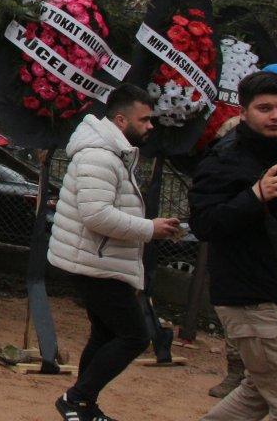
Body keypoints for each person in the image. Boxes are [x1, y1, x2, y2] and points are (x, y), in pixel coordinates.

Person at [47, 83, 182, 420]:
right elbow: (97, 215)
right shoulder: (100, 156)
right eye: (145, 119)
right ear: (121, 121)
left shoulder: (111, 153)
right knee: (135, 336)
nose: (150, 126)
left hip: (96, 259)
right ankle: (76, 398)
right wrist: (151, 229)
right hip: (96, 262)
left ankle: (84, 405)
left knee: (106, 333)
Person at [190, 70, 277, 420]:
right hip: (250, 299)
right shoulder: (223, 160)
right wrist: (255, 197)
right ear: (244, 112)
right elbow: (204, 224)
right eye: (265, 108)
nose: (275, 116)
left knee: (255, 396)